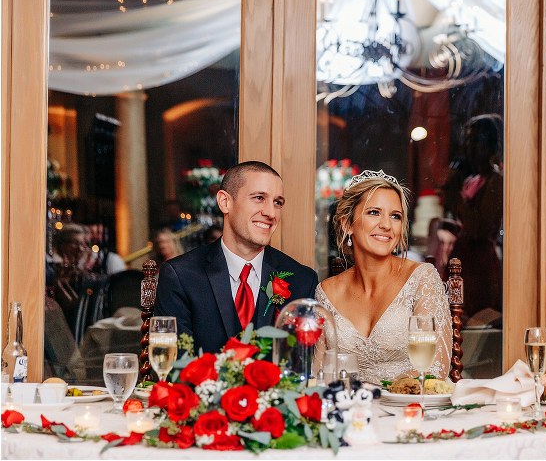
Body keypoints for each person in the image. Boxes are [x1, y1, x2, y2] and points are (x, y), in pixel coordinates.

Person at [155, 161, 318, 353]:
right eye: (259, 198)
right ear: (225, 202)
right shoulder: (181, 276)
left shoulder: (302, 280)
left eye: (278, 202)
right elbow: (174, 367)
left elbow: (301, 365)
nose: (271, 213)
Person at [315, 170, 451, 383]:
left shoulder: (421, 278)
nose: (387, 225)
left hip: (413, 409)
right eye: (374, 213)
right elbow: (319, 375)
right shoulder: (327, 292)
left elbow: (436, 367)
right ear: (347, 224)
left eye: (395, 216)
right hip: (351, 411)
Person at [442, 114, 503, 320]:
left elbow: (479, 227)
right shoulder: (472, 180)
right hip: (465, 262)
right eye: (466, 140)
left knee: (478, 320)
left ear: (489, 145)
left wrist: (454, 193)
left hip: (480, 269)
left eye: (474, 140)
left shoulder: (496, 182)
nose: (468, 147)